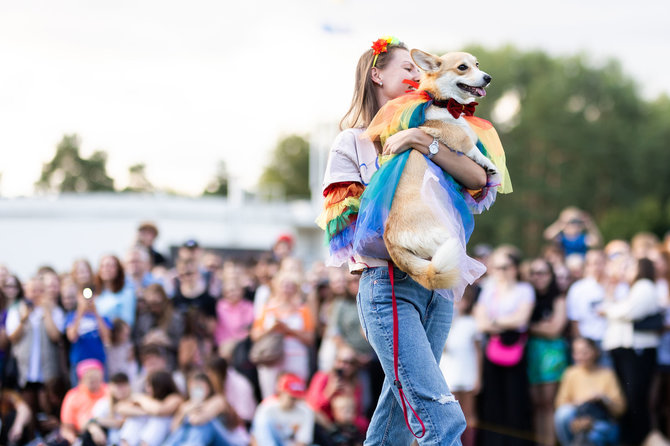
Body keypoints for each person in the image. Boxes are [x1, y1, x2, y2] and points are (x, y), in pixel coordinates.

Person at [317, 37, 488, 445]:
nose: (417, 76)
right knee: (441, 419)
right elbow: (351, 229)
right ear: (378, 75)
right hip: (388, 286)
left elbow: (480, 179)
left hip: (439, 287)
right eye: (407, 70)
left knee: (396, 416)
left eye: (420, 70)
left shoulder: (437, 125)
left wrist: (419, 140)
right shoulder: (352, 142)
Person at [473, 246, 535, 446]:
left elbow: (521, 319)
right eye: (496, 267)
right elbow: (481, 322)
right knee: (493, 400)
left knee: (516, 400)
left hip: (516, 347)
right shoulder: (488, 290)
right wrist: (504, 321)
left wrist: (494, 321)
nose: (500, 271)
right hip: (493, 348)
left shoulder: (524, 289)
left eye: (505, 267)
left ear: (515, 268)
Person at [601, 256, 660, 444]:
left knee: (635, 400)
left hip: (637, 351)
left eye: (631, 266)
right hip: (628, 350)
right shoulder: (633, 289)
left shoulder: (644, 286)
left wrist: (609, 310)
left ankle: (641, 439)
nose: (626, 270)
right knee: (628, 400)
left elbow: (630, 312)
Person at [6, 276, 65, 420]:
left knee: (48, 406)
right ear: (26, 292)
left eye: (41, 290)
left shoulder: (54, 311)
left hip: (47, 371)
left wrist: (47, 313)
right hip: (25, 371)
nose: (37, 294)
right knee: (28, 407)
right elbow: (12, 337)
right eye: (34, 290)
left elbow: (55, 336)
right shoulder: (16, 310)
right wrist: (24, 318)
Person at [251, 269, 315, 399]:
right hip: (271, 358)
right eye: (284, 285)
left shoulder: (303, 310)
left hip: (296, 358)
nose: (287, 289)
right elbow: (255, 335)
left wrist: (288, 330)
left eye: (291, 286)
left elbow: (310, 338)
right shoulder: (267, 308)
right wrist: (272, 329)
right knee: (270, 395)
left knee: (297, 393)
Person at [526, 258, 568, 446]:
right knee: (536, 404)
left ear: (551, 275)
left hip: (552, 354)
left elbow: (555, 329)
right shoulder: (528, 296)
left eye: (543, 272)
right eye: (534, 273)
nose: (538, 277)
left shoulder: (558, 298)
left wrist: (530, 327)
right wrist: (542, 326)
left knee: (549, 403)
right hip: (532, 353)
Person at [554, 337, 625, 446]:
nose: (581, 357)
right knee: (563, 413)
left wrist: (603, 399)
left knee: (594, 434)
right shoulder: (571, 373)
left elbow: (620, 409)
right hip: (578, 421)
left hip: (601, 422)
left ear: (595, 352)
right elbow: (560, 404)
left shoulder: (607, 374)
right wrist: (581, 403)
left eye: (585, 352)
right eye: (577, 353)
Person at [439, 284, 481, 446]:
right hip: (449, 375)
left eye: (462, 300)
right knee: (450, 415)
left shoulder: (471, 323)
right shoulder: (443, 321)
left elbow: (478, 352)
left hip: (468, 374)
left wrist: (478, 377)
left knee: (469, 415)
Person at [117, 370, 183, 446]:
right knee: (135, 419)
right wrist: (144, 412)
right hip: (144, 434)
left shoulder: (175, 398)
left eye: (150, 386)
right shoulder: (147, 399)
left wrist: (141, 400)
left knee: (158, 420)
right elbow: (121, 408)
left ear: (159, 386)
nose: (147, 389)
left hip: (169, 437)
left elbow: (160, 410)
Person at [250, 373, 315, 446]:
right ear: (281, 392)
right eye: (292, 397)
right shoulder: (266, 408)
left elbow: (303, 441)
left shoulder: (306, 410)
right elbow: (255, 437)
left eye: (298, 397)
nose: (295, 401)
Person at [65, 285, 112, 385]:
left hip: (98, 362)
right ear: (78, 297)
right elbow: (72, 337)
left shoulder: (103, 317)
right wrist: (80, 312)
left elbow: (106, 337)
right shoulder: (71, 317)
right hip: (78, 362)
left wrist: (96, 313)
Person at [60, 359, 109, 444]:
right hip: (82, 436)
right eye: (89, 377)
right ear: (81, 379)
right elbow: (66, 427)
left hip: (108, 432)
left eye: (95, 377)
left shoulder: (109, 391)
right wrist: (73, 441)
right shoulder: (73, 395)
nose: (92, 380)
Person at [84, 372, 133, 446]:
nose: (121, 389)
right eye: (118, 386)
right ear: (110, 387)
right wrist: (94, 429)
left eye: (124, 385)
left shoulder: (135, 402)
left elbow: (121, 423)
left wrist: (97, 421)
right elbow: (89, 422)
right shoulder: (103, 404)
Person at [94, 255, 137, 328]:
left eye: (111, 266)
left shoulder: (127, 293)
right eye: (103, 266)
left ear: (118, 269)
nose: (106, 269)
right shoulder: (95, 293)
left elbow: (127, 322)